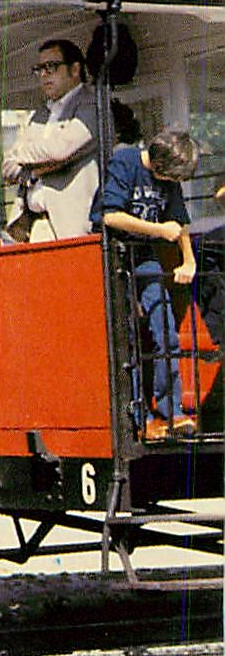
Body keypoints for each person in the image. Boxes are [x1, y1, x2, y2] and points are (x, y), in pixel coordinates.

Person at [92, 128, 200, 439]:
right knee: (125, 337)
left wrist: (188, 260)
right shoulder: (125, 162)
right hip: (114, 256)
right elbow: (110, 216)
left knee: (164, 328)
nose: (171, 184)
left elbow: (178, 223)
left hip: (144, 257)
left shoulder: (169, 181)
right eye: (170, 177)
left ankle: (171, 413)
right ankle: (134, 419)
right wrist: (157, 230)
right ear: (159, 163)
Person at [2, 39, 100, 241]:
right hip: (35, 224)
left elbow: (59, 150)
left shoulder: (90, 106)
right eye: (40, 69)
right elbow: (7, 166)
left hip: (71, 227)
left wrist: (22, 154)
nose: (44, 75)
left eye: (52, 67)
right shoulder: (41, 114)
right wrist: (33, 171)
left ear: (74, 69)